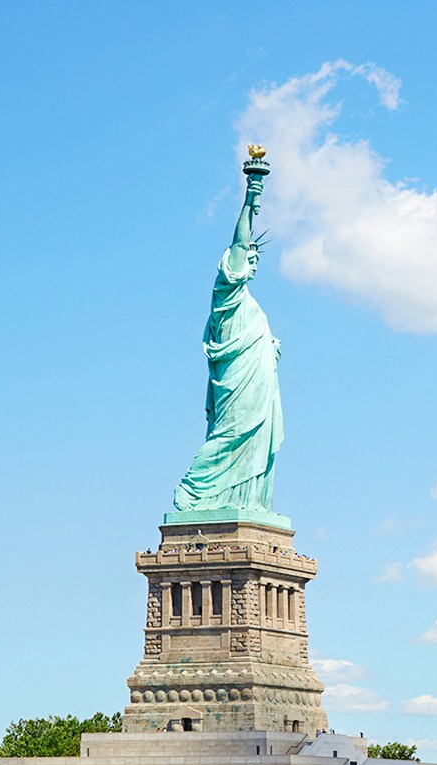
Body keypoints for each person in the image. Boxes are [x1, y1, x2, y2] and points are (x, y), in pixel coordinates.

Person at [173, 157, 283, 513]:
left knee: (254, 439)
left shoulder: (250, 303)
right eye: (249, 258)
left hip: (257, 384)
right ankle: (193, 491)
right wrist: (251, 199)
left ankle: (245, 500)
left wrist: (270, 348)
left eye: (255, 260)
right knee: (231, 433)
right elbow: (239, 243)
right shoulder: (227, 292)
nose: (253, 263)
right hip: (237, 382)